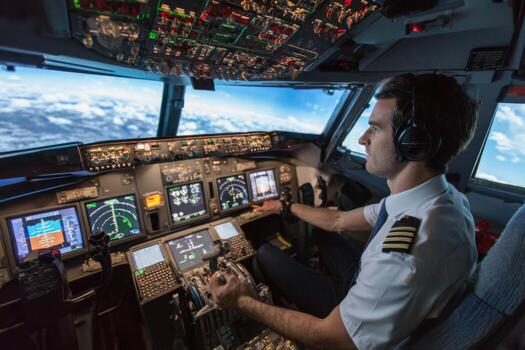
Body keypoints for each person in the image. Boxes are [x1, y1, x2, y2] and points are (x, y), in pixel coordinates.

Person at [209, 73, 479, 350]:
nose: (363, 139)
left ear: (413, 143)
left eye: (375, 128)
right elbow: (338, 220)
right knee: (325, 234)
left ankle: (288, 301)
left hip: (350, 324)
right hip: (376, 291)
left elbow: (331, 339)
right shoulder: (441, 200)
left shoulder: (403, 257)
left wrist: (240, 300)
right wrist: (284, 206)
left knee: (265, 253)